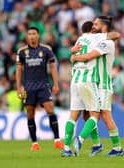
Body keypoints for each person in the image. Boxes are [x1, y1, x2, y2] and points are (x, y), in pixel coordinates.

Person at [61, 21, 121, 157]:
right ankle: (88, 142)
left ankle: (68, 147)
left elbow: (78, 56)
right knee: (92, 115)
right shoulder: (96, 38)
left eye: (98, 23)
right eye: (94, 25)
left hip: (83, 81)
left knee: (80, 116)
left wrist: (73, 55)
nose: (95, 26)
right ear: (92, 29)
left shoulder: (83, 40)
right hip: (89, 80)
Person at [16, 27, 63, 151]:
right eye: (29, 34)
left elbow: (53, 66)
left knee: (50, 109)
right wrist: (18, 87)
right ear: (27, 36)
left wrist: (56, 84)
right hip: (28, 87)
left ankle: (57, 140)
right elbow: (19, 70)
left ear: (38, 35)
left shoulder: (46, 49)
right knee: (30, 114)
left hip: (43, 85)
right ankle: (34, 143)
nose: (31, 36)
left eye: (34, 34)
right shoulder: (21, 51)